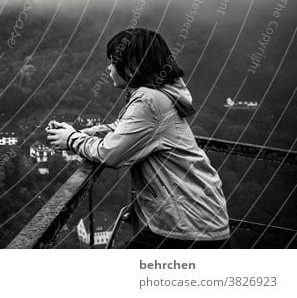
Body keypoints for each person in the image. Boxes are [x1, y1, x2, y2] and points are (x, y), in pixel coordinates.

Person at [46, 27, 230, 248]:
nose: (108, 67)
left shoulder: (148, 100)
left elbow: (110, 154)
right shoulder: (158, 94)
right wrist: (84, 133)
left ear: (132, 67)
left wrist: (71, 140)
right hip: (194, 218)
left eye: (113, 62)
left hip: (189, 225)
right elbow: (124, 128)